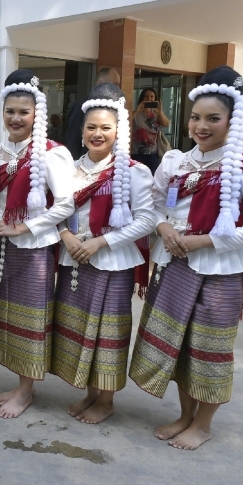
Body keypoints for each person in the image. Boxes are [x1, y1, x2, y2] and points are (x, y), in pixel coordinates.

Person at [128, 66, 243, 450]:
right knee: (177, 344)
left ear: (232, 120)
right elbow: (153, 205)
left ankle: (204, 424)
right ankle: (184, 415)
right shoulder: (176, 161)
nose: (201, 126)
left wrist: (205, 241)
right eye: (196, 117)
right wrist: (163, 229)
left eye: (213, 119)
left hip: (220, 273)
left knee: (208, 348)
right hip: (174, 266)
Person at [50, 83, 155, 424]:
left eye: (105, 128)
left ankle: (106, 400)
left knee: (107, 330)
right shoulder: (67, 168)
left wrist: (100, 242)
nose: (98, 134)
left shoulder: (133, 172)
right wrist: (65, 234)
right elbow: (53, 211)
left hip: (111, 262)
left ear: (117, 133)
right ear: (81, 132)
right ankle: (90, 393)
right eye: (91, 127)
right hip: (73, 259)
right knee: (79, 327)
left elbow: (147, 220)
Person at [0, 70, 75, 419]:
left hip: (34, 248)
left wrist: (25, 227)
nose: (16, 118)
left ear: (36, 113)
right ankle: (20, 381)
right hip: (3, 246)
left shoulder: (51, 154)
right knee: (7, 316)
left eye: (24, 111)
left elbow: (64, 204)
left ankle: (26, 389)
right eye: (10, 111)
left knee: (32, 318)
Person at [65, 66, 121, 158]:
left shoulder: (117, 107)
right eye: (114, 84)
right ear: (100, 84)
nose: (118, 88)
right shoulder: (81, 106)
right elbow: (73, 140)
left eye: (118, 84)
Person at [129, 87, 170, 173]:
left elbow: (166, 124)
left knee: (151, 178)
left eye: (152, 97)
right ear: (142, 98)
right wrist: (138, 110)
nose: (149, 99)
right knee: (137, 178)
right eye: (146, 96)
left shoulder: (156, 114)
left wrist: (159, 111)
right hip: (136, 153)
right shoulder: (136, 113)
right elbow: (127, 121)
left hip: (152, 154)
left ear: (155, 99)